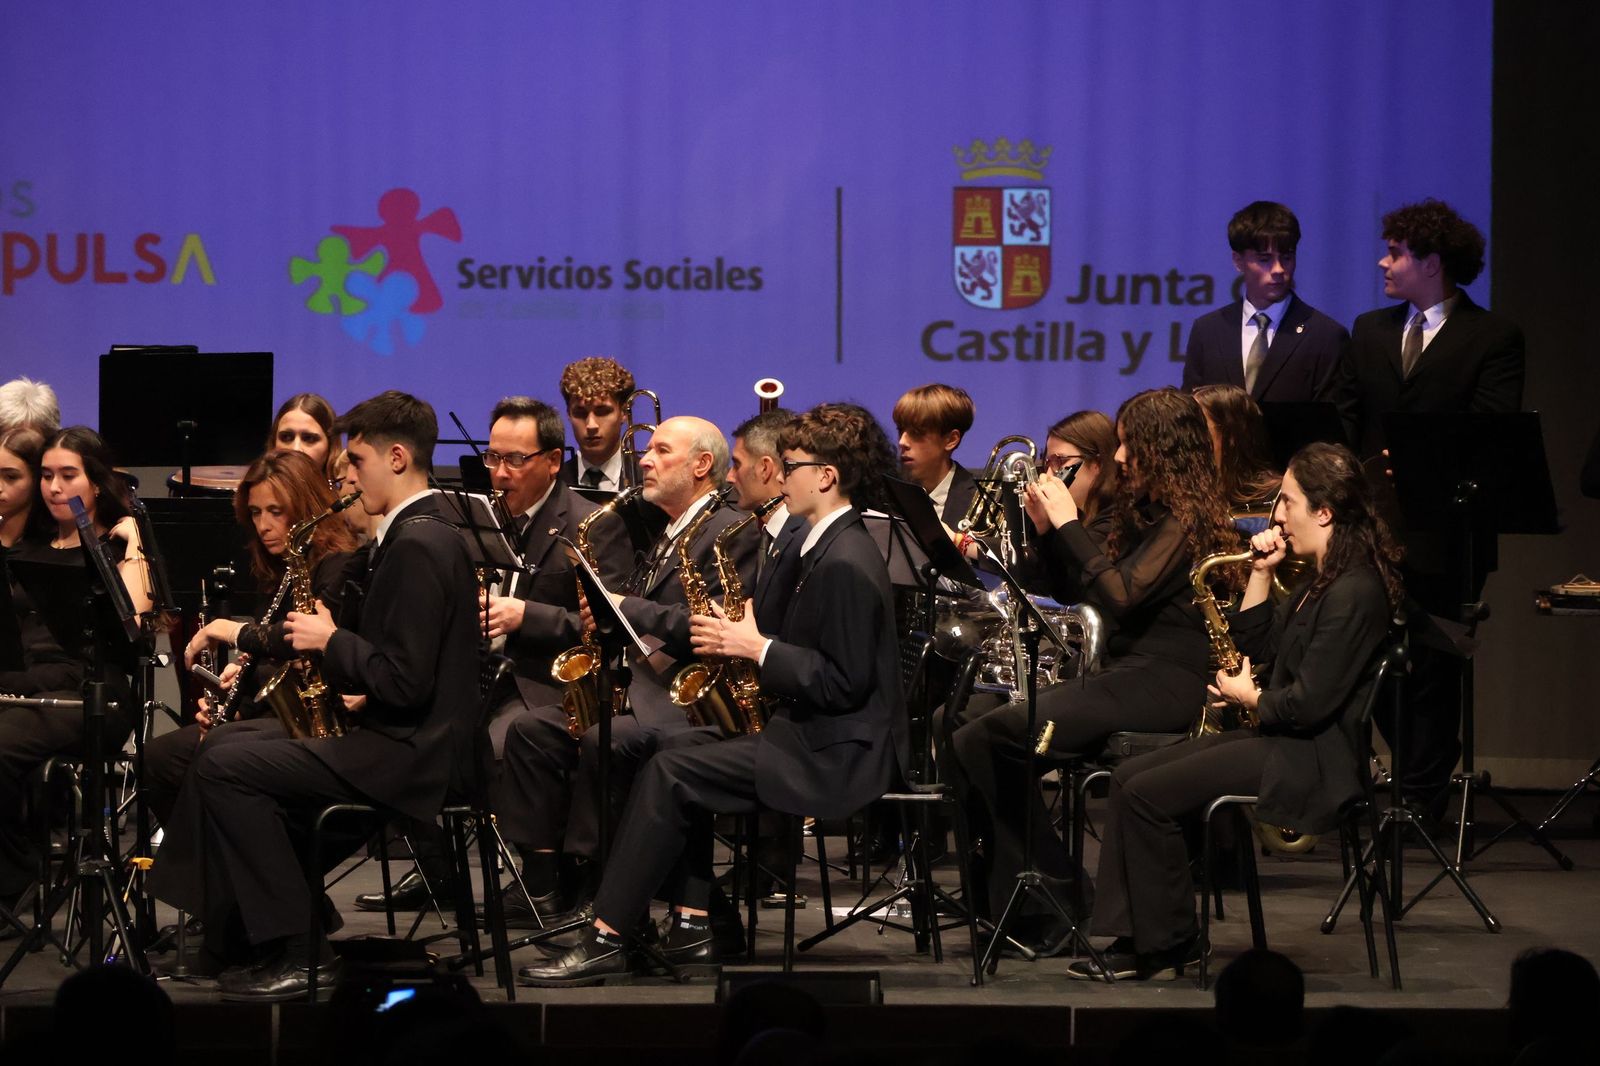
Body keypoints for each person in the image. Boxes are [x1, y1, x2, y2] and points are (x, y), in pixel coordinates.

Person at [517, 404, 906, 986]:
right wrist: (739, 634)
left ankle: (609, 936)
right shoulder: (824, 544)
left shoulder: (846, 558)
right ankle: (694, 923)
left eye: (792, 466)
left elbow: (842, 682)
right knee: (666, 756)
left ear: (826, 476)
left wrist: (756, 649)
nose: (781, 475)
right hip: (808, 732)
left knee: (674, 772)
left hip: (836, 752)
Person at [147, 391, 479, 999]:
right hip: (394, 734)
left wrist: (330, 641)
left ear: (398, 458)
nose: (346, 476)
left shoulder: (419, 543)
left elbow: (404, 682)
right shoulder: (416, 535)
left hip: (414, 753)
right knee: (223, 743)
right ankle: (250, 926)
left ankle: (295, 948)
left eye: (356, 461)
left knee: (224, 764)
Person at [1068, 442, 1400, 981]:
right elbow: (1258, 648)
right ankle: (1145, 937)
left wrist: (1249, 698)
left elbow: (1310, 702)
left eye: (1287, 503)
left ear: (1324, 511)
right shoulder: (1322, 581)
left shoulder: (1355, 592)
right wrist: (1263, 575)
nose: (1276, 517)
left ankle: (1169, 943)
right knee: (1129, 778)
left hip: (1313, 757)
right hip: (1283, 737)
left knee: (1149, 794)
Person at [945, 388, 1237, 945]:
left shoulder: (1186, 518)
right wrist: (1047, 529)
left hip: (1164, 681)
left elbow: (1122, 595)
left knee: (987, 740)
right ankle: (1030, 900)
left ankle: (1060, 899)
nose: (1121, 457)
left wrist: (1069, 524)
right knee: (971, 738)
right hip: (1121, 674)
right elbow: (1063, 585)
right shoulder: (1142, 513)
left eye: (1130, 444)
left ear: (1163, 449)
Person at [368, 395, 629, 919]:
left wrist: (523, 615)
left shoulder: (595, 524)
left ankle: (541, 879)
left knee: (486, 743)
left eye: (516, 460)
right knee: (394, 728)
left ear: (553, 461)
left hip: (544, 685)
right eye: (493, 458)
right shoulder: (473, 519)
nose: (500, 473)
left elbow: (614, 626)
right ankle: (440, 871)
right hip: (481, 671)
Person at [496, 415, 756, 921]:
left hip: (690, 702)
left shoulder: (729, 531)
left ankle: (607, 896)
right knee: (533, 731)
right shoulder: (670, 529)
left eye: (661, 451)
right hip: (641, 684)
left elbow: (716, 625)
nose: (645, 459)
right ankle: (548, 881)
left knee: (605, 740)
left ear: (702, 465)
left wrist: (624, 608)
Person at [1344, 199, 1524, 812]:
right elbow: (1351, 422)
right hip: (1373, 529)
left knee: (1434, 671)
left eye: (1395, 252)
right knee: (1371, 662)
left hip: (1449, 531)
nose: (1383, 261)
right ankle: (1397, 782)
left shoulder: (1492, 336)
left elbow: (1491, 429)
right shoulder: (1370, 330)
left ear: (1432, 262)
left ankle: (1422, 799)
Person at [147, 450, 360, 826]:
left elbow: (298, 640)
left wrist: (232, 632)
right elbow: (268, 653)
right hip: (270, 714)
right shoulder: (277, 567)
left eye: (276, 512)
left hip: (315, 721)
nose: (264, 525)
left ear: (307, 506)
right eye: (257, 513)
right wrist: (237, 699)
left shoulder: (337, 563)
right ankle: (212, 868)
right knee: (157, 761)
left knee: (215, 756)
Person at [1, 427, 151, 913]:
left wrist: (132, 539)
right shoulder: (31, 543)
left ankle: (17, 877)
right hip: (27, 687)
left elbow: (133, 621)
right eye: (46, 476)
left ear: (96, 484)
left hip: (95, 695)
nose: (54, 488)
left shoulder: (118, 543)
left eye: (68, 475)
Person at [1180, 201, 1353, 423]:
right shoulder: (1208, 330)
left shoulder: (1325, 335)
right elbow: (1191, 417)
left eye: (1287, 257)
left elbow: (1334, 425)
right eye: (1265, 259)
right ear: (1238, 261)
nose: (1279, 269)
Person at [728, 408, 806, 632]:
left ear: (765, 468)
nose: (729, 477)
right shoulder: (764, 532)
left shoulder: (803, 541)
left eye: (737, 464)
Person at [893, 383, 977, 525]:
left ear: (951, 440)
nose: (902, 442)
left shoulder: (978, 501)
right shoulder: (886, 493)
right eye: (901, 430)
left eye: (916, 433)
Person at [1193, 385, 1282, 512]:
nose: (1189, 436)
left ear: (1231, 435)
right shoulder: (1194, 491)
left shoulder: (1275, 496)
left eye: (1199, 426)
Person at [558, 356, 635, 491]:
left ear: (624, 412)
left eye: (602, 412)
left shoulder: (648, 480)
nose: (591, 425)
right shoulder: (552, 485)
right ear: (568, 414)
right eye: (580, 413)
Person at [266, 393, 340, 487]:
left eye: (309, 438)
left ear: (330, 446)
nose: (296, 449)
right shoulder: (252, 497)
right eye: (286, 437)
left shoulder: (345, 499)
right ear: (273, 442)